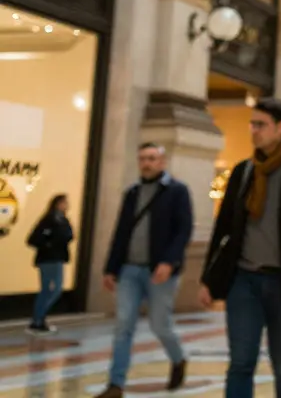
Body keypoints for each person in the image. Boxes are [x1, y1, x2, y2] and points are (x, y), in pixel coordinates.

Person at [198, 97, 281, 398]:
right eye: (252, 123)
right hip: (243, 281)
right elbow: (222, 229)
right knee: (240, 363)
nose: (253, 130)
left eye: (260, 124)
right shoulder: (243, 171)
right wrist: (208, 278)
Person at [98, 144, 194, 397]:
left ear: (162, 162)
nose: (146, 163)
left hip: (159, 271)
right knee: (123, 325)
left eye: (151, 159)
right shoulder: (132, 193)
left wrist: (168, 262)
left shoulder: (177, 191)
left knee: (160, 324)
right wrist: (111, 268)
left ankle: (178, 359)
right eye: (142, 159)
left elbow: (184, 230)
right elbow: (121, 231)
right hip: (129, 269)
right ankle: (116, 384)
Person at [26, 194, 73, 335]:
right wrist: (49, 243)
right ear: (57, 203)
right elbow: (33, 239)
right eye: (64, 202)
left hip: (55, 259)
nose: (67, 205)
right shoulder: (50, 220)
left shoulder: (62, 219)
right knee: (54, 289)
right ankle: (37, 319)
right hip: (49, 259)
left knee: (47, 290)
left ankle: (39, 320)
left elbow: (69, 235)